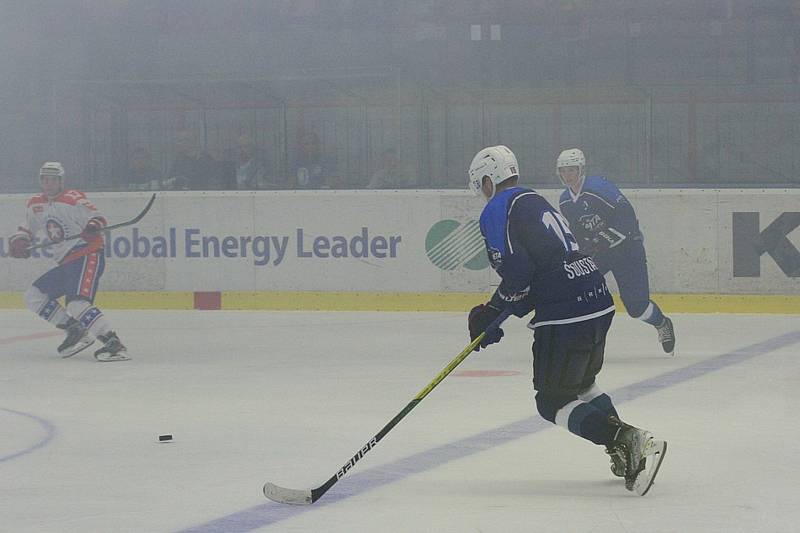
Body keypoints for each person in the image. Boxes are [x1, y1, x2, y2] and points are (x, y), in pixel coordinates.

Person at [466, 145, 666, 495]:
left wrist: (490, 312)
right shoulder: (535, 200)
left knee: (551, 401)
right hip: (596, 295)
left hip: (566, 311)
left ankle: (626, 439)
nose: (482, 194)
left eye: (480, 186)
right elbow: (539, 274)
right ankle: (623, 449)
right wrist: (497, 317)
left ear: (488, 180)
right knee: (583, 385)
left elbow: (518, 273)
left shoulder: (498, 207)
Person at [556, 148, 676, 354]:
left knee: (637, 307)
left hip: (627, 249)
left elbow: (627, 218)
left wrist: (603, 239)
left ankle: (662, 323)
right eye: (563, 171)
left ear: (581, 170)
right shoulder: (565, 201)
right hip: (602, 253)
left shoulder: (600, 188)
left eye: (572, 170)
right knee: (575, 286)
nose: (568, 175)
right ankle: (579, 336)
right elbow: (577, 230)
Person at [7, 162, 130, 362]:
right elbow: (27, 227)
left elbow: (98, 217)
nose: (49, 183)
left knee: (77, 304)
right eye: (45, 179)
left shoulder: (73, 199)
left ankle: (113, 343)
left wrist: (92, 226)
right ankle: (76, 330)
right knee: (34, 296)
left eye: (53, 179)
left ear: (61, 181)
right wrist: (20, 240)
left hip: (87, 254)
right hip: (65, 262)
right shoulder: (35, 204)